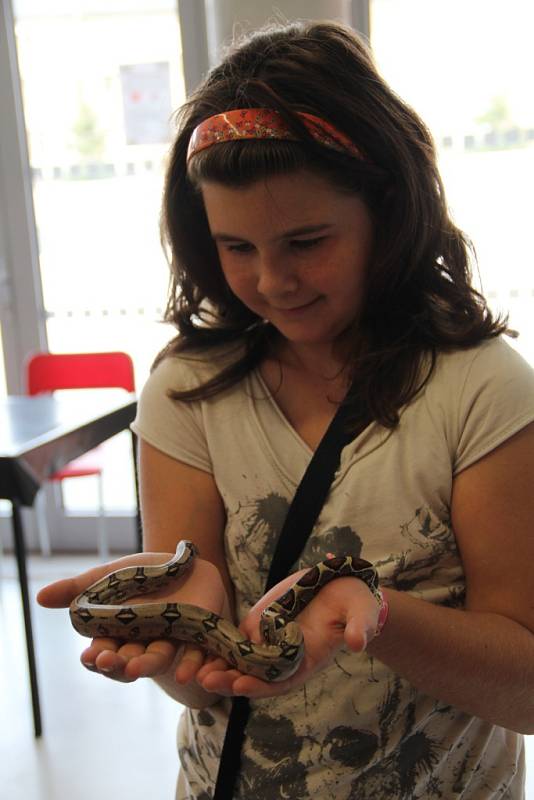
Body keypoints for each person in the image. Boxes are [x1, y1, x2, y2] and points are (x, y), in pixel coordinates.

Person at [37, 19, 534, 800]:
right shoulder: (185, 391)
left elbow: (528, 692)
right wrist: (175, 647)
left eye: (306, 241)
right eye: (237, 248)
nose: (273, 282)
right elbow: (205, 686)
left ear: (389, 213)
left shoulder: (483, 390)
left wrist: (374, 618)